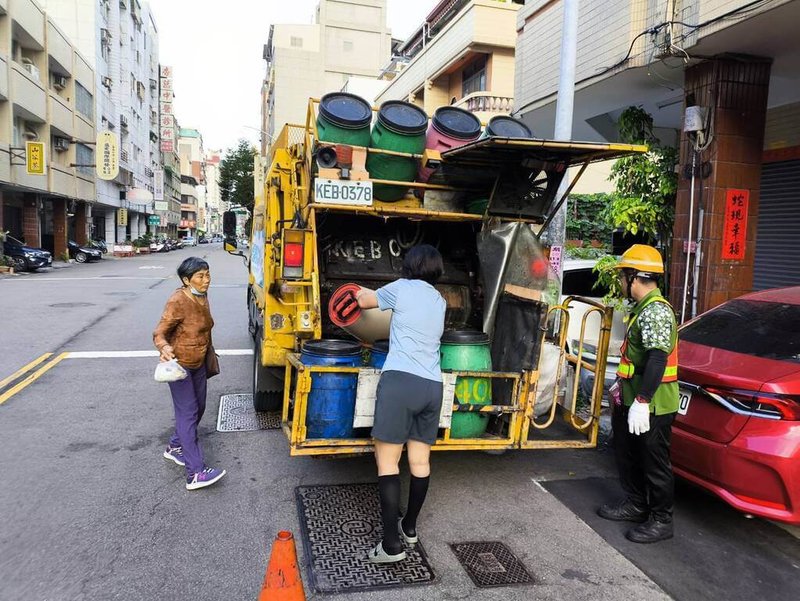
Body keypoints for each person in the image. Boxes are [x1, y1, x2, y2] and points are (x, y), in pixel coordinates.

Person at [354, 244, 446, 564]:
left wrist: (355, 290)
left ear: (410, 265)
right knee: (420, 462)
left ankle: (391, 545)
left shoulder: (401, 288)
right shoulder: (440, 299)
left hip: (401, 383)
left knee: (388, 463)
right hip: (433, 386)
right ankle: (409, 528)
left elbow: (364, 301)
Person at [597, 244, 679, 543]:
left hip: (653, 405)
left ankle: (661, 520)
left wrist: (643, 401)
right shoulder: (642, 310)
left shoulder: (656, 311)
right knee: (628, 454)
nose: (620, 283)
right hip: (634, 400)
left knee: (654, 462)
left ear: (635, 277)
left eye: (623, 276)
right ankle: (635, 503)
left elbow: (658, 358)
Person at [153, 257, 226, 491]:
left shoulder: (201, 295)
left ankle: (175, 446)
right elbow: (159, 333)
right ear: (187, 280)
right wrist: (164, 348)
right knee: (188, 413)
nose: (206, 280)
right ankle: (195, 472)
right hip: (181, 365)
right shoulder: (178, 299)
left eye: (207, 274)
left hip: (199, 363)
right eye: (200, 276)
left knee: (200, 408)